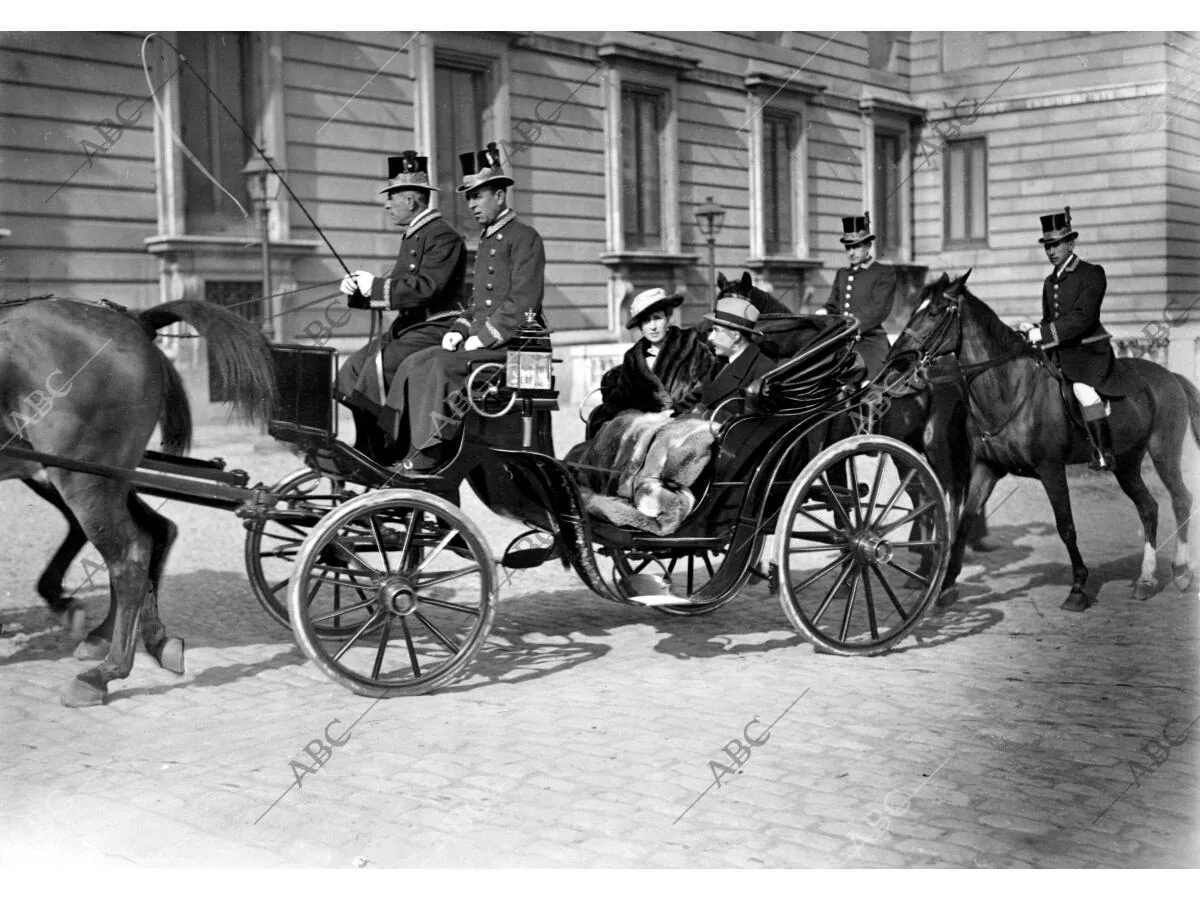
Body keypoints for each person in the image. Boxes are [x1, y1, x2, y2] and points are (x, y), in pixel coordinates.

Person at [383, 142, 546, 473]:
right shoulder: (487, 239)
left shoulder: (525, 237)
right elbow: (478, 304)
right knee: (417, 361)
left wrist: (480, 338)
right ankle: (399, 441)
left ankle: (428, 454)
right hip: (493, 343)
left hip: (520, 348)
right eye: (469, 197)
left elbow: (522, 303)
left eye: (478, 196)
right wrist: (459, 329)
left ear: (500, 196)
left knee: (441, 366)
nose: (471, 204)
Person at [335, 151, 466, 460]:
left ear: (410, 201)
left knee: (381, 365)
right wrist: (358, 290)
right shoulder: (414, 235)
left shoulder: (444, 238)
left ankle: (391, 450)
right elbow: (402, 286)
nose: (386, 204)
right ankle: (368, 447)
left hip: (437, 327)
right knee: (351, 368)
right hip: (410, 328)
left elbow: (426, 289)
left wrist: (376, 286)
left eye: (391, 197)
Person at [1017, 207, 1129, 470]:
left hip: (1088, 352)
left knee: (1082, 390)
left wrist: (1043, 333)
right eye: (1047, 246)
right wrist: (1033, 328)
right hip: (1060, 351)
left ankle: (1104, 453)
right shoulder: (1049, 281)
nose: (1051, 251)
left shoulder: (1092, 273)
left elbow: (1083, 318)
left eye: (1056, 245)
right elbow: (1050, 319)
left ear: (1071, 242)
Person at [590, 287, 716, 435]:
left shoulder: (693, 347)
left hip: (686, 426)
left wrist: (675, 412)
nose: (653, 327)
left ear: (668, 319)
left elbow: (704, 388)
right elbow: (622, 401)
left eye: (657, 318)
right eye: (646, 321)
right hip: (644, 430)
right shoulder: (633, 359)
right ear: (641, 327)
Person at [818, 212, 896, 379]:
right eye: (848, 247)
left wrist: (849, 327)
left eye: (856, 246)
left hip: (869, 342)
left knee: (869, 386)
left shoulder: (884, 273)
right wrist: (822, 312)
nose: (851, 252)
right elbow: (833, 304)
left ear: (868, 246)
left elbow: (878, 311)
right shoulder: (842, 274)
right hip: (840, 342)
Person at [692, 296, 777, 414]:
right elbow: (700, 396)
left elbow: (757, 423)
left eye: (716, 330)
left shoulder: (763, 371)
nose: (710, 338)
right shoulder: (719, 362)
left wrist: (706, 416)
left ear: (735, 336)